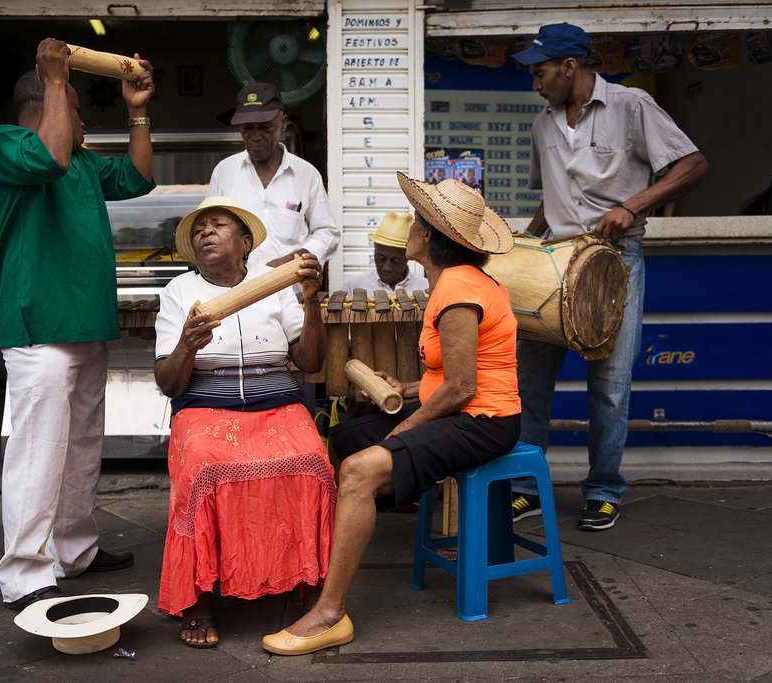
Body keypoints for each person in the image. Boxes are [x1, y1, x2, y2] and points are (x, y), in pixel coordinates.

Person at [262, 174, 520, 656]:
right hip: (460, 410)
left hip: (486, 422)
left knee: (360, 470)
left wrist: (402, 430)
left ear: (428, 239)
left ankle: (328, 613)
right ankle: (310, 572)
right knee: (338, 440)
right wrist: (404, 389)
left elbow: (464, 388)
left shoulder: (460, 290)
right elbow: (453, 376)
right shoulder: (451, 281)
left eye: (417, 223)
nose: (410, 231)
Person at [509, 23, 709, 531]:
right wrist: (523, 244)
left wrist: (634, 204)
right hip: (552, 263)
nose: (536, 83)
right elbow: (550, 201)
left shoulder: (631, 105)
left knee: (610, 384)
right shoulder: (542, 125)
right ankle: (526, 487)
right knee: (529, 379)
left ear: (570, 67)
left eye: (541, 72)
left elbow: (693, 164)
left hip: (615, 262)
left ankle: (603, 489)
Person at [0, 38, 156, 611]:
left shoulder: (82, 160)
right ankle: (26, 574)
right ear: (45, 102)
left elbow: (138, 178)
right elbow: (50, 155)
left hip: (86, 325)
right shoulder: (8, 144)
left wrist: (138, 110)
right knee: (39, 451)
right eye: (77, 108)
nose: (82, 120)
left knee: (81, 446)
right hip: (39, 329)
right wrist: (58, 79)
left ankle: (74, 549)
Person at [154, 196, 334, 648]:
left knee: (312, 459)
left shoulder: (274, 284)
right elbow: (169, 384)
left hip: (276, 402)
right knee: (201, 466)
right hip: (204, 408)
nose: (205, 233)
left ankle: (308, 579)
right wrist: (187, 346)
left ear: (246, 242)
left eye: (218, 226)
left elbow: (310, 361)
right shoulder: (179, 291)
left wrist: (311, 303)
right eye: (199, 230)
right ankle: (197, 599)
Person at [207, 82, 340, 270]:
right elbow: (210, 231)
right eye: (248, 128)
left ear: (283, 123)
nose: (256, 136)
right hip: (237, 292)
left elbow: (327, 233)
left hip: (293, 293)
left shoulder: (306, 174)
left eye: (265, 127)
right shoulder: (224, 172)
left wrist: (294, 261)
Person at [341, 211, 428, 297]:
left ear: (407, 257)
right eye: (381, 258)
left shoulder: (426, 289)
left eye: (396, 261)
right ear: (374, 251)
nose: (387, 267)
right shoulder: (351, 289)